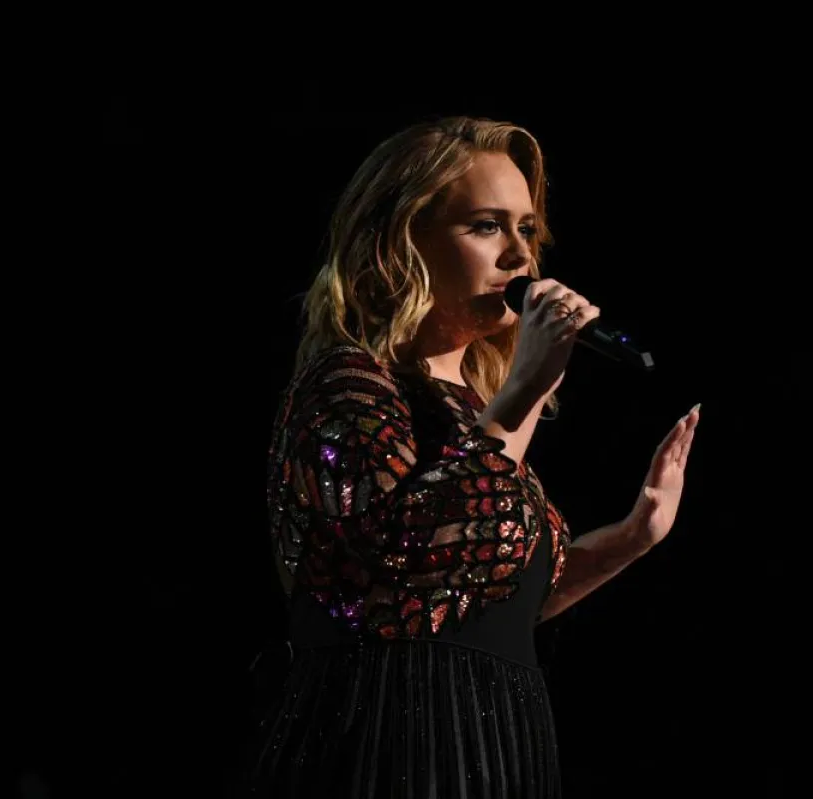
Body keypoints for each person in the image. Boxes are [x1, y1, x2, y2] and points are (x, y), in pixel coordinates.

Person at [231, 115, 700, 797]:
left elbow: (485, 597)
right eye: (486, 226)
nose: (520, 257)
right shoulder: (350, 383)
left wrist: (633, 536)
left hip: (495, 739)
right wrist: (523, 391)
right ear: (401, 242)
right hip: (387, 735)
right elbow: (401, 558)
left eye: (527, 230)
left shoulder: (473, 411)